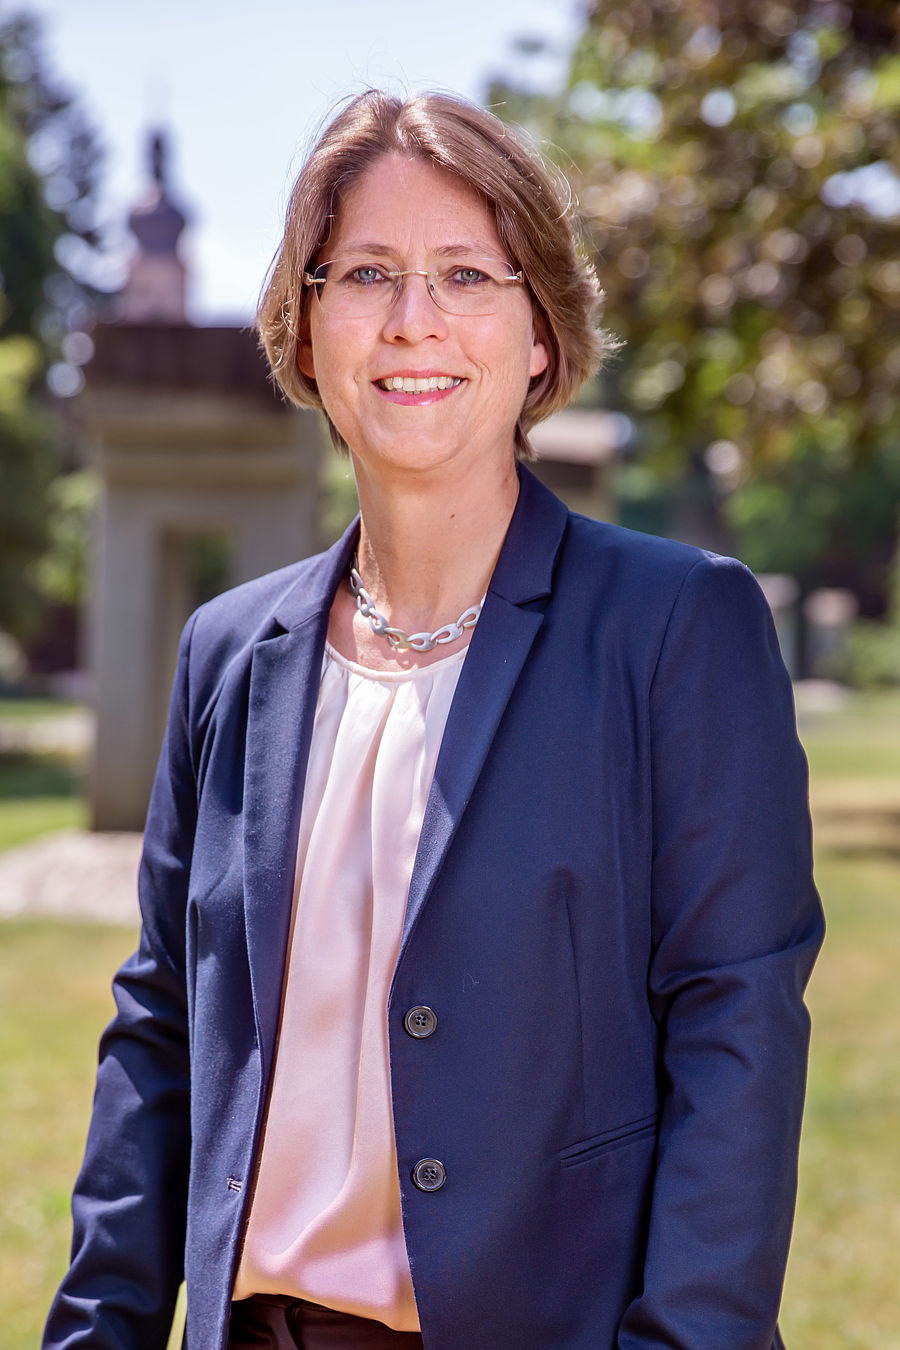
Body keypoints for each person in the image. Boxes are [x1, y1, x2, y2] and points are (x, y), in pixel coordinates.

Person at [44, 90, 823, 1350]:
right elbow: (159, 1036)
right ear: (306, 332)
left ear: (540, 335)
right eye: (366, 274)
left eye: (466, 274)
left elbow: (737, 1033)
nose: (414, 319)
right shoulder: (226, 655)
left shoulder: (678, 628)